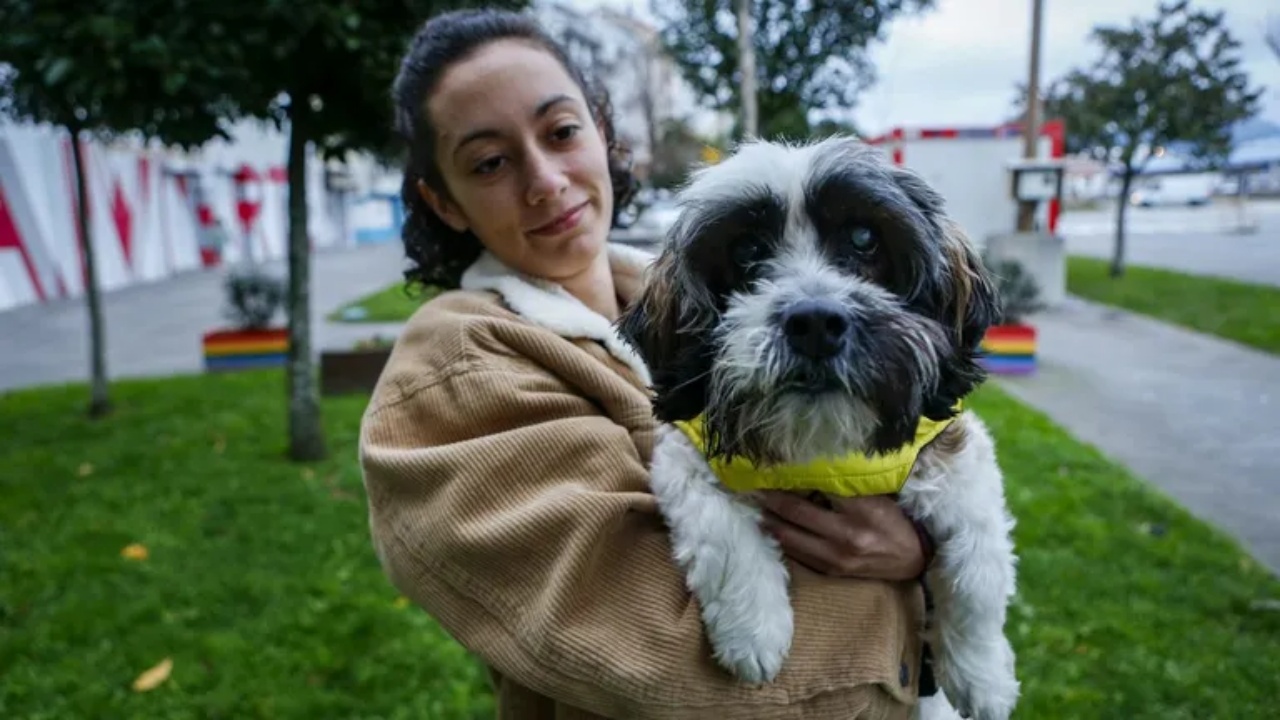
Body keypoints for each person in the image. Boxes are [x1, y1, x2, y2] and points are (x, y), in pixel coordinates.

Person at [359, 8, 937, 719]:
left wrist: (932, 549)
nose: (544, 181)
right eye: (490, 162)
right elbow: (669, 660)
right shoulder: (457, 372)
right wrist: (916, 592)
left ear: (603, 133)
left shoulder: (693, 302)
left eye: (561, 132)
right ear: (443, 202)